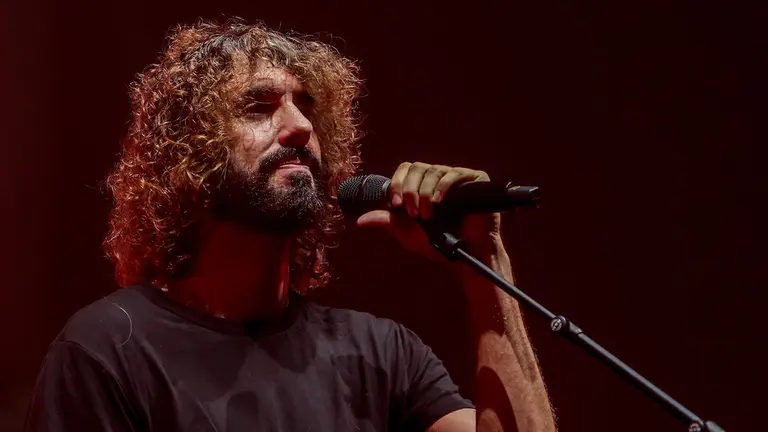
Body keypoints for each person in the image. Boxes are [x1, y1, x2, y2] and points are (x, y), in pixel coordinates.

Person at [26, 19, 555, 432]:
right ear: (189, 154)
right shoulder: (110, 348)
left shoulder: (379, 353)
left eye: (306, 107)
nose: (300, 127)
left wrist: (485, 257)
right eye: (259, 107)